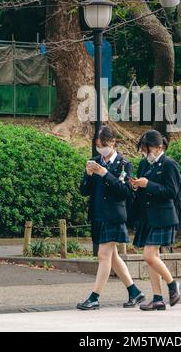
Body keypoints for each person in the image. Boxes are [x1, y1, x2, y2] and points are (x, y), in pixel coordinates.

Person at [77, 125, 145, 311]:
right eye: (98, 145)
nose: (101, 149)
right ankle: (135, 292)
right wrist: (88, 175)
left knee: (103, 255)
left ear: (113, 142)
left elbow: (124, 192)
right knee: (113, 257)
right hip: (97, 214)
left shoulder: (124, 164)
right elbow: (84, 191)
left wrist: (105, 173)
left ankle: (94, 297)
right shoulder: (94, 161)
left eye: (103, 144)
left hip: (114, 215)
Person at [130, 129, 181, 311]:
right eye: (143, 149)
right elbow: (143, 189)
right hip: (147, 217)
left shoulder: (169, 164)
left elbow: (171, 192)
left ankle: (173, 283)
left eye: (148, 149)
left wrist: (148, 184)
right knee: (152, 259)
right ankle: (157, 298)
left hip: (163, 216)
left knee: (149, 255)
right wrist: (137, 186)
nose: (145, 153)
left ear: (159, 147)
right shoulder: (144, 165)